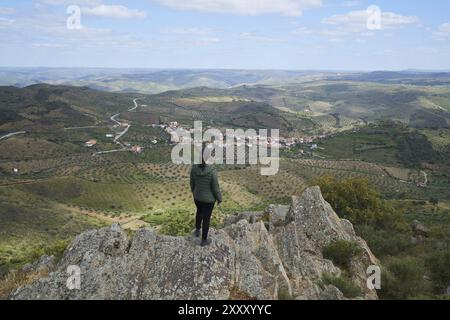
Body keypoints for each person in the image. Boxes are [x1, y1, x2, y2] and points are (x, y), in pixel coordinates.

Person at [190, 146, 222, 247]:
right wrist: (219, 198)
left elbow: (192, 182)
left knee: (199, 212)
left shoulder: (194, 167)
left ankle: (197, 230)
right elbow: (215, 187)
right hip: (209, 200)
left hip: (197, 197)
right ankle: (204, 240)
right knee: (206, 218)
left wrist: (194, 192)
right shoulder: (212, 170)